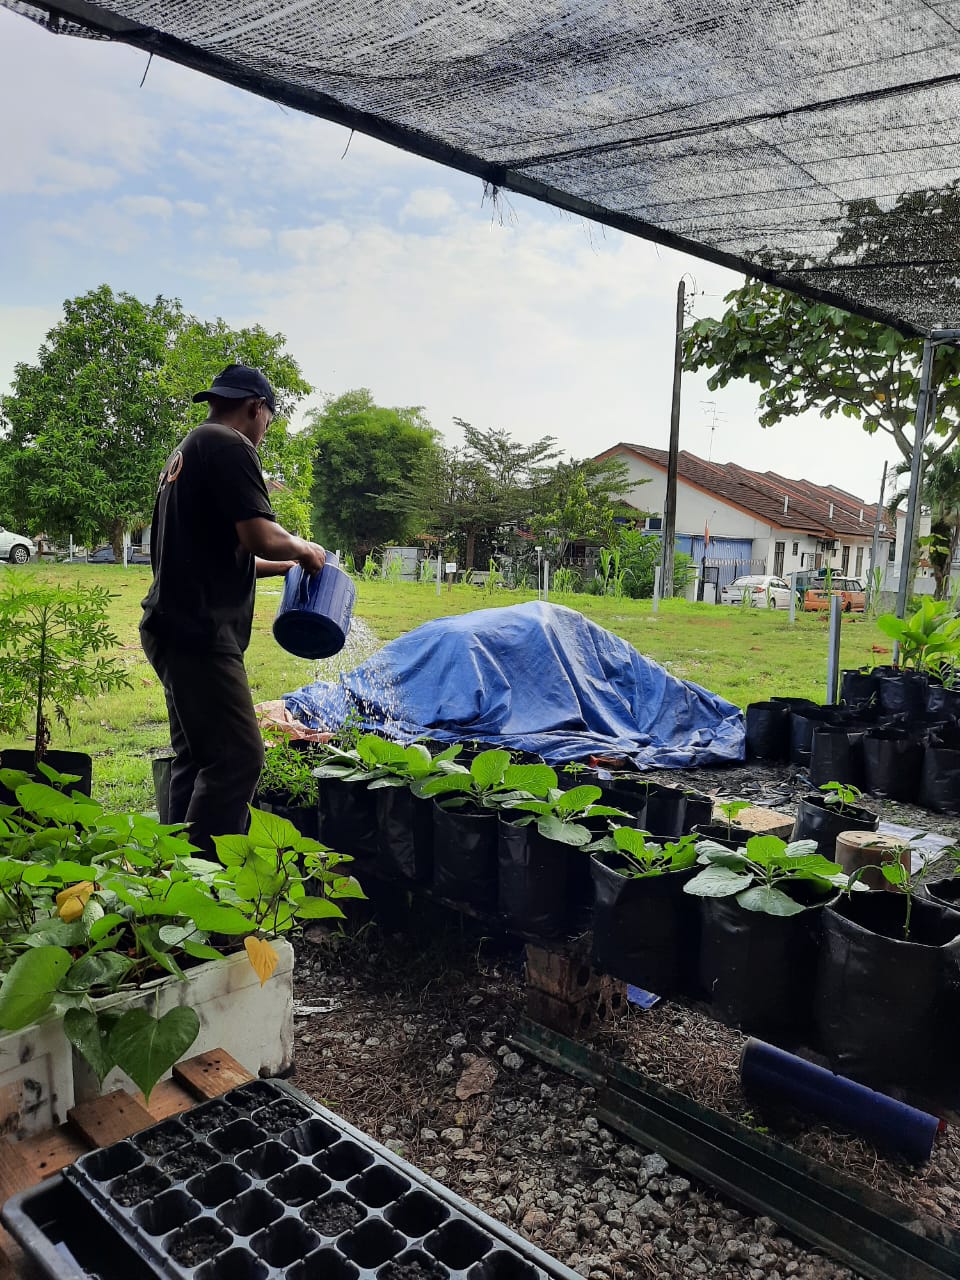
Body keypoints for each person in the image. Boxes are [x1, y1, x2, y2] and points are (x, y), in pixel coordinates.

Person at [140, 364, 326, 856]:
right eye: (267, 419)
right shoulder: (229, 446)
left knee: (197, 758)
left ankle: (173, 881)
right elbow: (259, 533)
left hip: (170, 626)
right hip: (200, 633)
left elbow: (226, 552)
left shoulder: (188, 450)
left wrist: (280, 568)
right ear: (256, 407)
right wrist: (304, 550)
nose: (264, 431)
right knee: (239, 757)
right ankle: (208, 893)